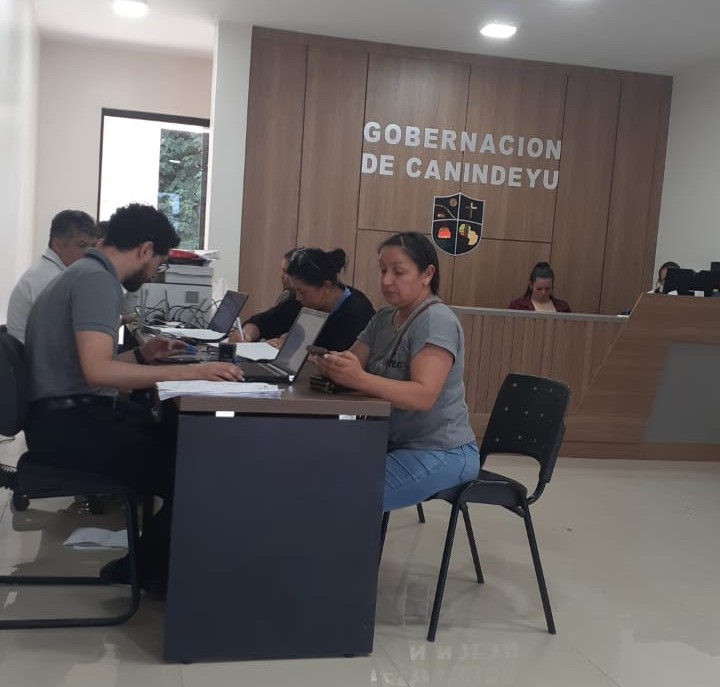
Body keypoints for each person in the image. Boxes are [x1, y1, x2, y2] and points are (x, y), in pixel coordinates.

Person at [24, 203, 242, 588]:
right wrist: (192, 371)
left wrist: (144, 355)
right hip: (69, 426)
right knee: (201, 469)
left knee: (188, 445)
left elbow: (87, 364)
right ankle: (149, 571)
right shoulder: (97, 281)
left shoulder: (84, 272)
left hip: (62, 418)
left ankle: (148, 565)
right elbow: (97, 371)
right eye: (158, 262)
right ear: (145, 249)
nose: (155, 272)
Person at [316, 232, 479, 511]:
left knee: (345, 496)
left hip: (440, 450)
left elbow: (423, 396)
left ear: (427, 274)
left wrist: (359, 378)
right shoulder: (383, 318)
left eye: (398, 272)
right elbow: (353, 362)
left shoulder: (436, 321)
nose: (386, 280)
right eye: (383, 270)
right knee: (316, 473)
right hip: (392, 442)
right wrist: (332, 364)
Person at [6, 209, 99, 343]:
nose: (89, 252)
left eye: (93, 246)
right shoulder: (48, 279)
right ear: (58, 245)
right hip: (32, 355)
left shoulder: (53, 272)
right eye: (82, 245)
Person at [284, 247, 375, 351]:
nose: (298, 298)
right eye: (295, 291)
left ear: (326, 287)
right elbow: (271, 322)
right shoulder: (306, 300)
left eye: (302, 292)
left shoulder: (357, 313)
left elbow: (342, 356)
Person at [238, 248, 302, 342]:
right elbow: (263, 320)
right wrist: (246, 336)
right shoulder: (292, 299)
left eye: (285, 271)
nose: (281, 275)